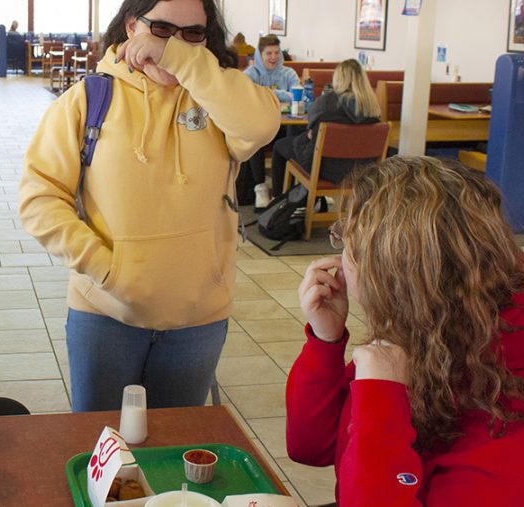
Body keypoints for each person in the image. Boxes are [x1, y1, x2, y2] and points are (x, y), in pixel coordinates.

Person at [20, 0, 281, 412]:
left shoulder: (216, 98)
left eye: (193, 34)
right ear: (131, 26)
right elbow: (39, 198)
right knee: (102, 451)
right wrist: (106, 269)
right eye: (161, 30)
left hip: (198, 318)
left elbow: (261, 124)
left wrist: (182, 59)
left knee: (174, 455)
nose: (174, 46)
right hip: (105, 313)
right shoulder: (87, 100)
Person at [286, 156, 524, 506]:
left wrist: (380, 394)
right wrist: (324, 341)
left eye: (348, 241)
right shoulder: (431, 333)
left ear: (394, 275)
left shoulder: (523, 446)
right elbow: (311, 447)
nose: (341, 258)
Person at [270, 58, 380, 201]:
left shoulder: (328, 101)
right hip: (363, 170)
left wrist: (312, 132)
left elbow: (311, 125)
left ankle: (277, 200)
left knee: (280, 146)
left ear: (339, 78)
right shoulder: (372, 106)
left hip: (326, 168)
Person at [240, 34, 299, 208]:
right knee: (255, 135)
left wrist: (267, 93)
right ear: (260, 55)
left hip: (284, 126)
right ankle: (260, 186)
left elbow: (297, 95)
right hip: (260, 125)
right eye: (268, 53)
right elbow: (246, 98)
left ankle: (282, 191)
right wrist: (282, 95)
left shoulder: (289, 73)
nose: (273, 57)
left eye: (276, 53)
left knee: (292, 137)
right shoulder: (249, 74)